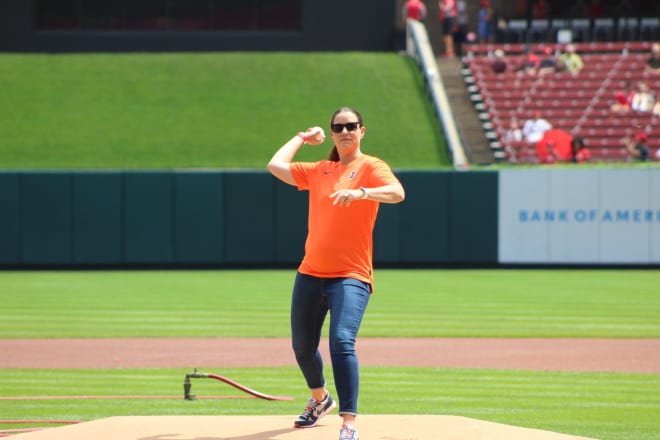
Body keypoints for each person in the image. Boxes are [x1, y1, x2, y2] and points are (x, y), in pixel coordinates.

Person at [267, 107, 406, 440]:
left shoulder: (371, 166)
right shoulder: (321, 169)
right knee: (302, 346)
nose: (345, 131)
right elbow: (275, 166)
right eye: (338, 127)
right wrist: (301, 138)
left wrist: (362, 192)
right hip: (311, 272)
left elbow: (398, 193)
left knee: (342, 341)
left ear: (361, 131)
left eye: (351, 126)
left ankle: (349, 423)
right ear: (332, 133)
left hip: (351, 275)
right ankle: (320, 400)